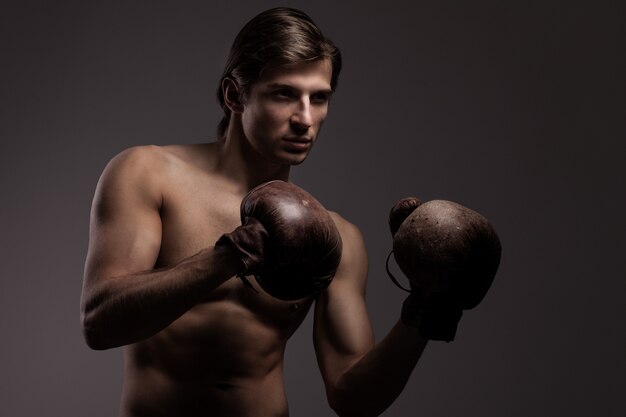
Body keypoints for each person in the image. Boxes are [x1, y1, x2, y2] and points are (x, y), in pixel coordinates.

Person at [81, 7, 429, 417]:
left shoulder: (335, 238)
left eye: (319, 98)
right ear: (235, 95)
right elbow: (100, 323)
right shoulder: (148, 174)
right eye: (284, 93)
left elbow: (353, 398)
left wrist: (424, 308)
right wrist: (228, 256)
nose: (305, 119)